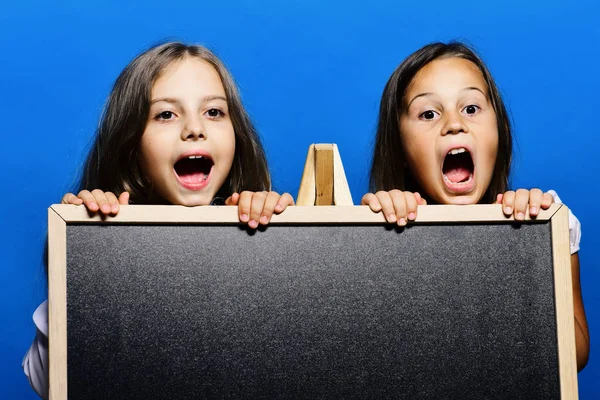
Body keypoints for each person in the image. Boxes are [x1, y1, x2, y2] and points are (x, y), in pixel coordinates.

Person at [23, 41, 294, 398]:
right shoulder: (103, 247)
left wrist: (280, 232)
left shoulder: (261, 225)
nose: (195, 129)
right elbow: (47, 381)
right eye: (166, 114)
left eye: (214, 112)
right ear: (131, 144)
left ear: (236, 134)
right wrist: (85, 259)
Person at [362, 41, 589, 371]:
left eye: (470, 108)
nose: (454, 124)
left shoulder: (546, 221)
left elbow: (576, 356)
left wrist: (530, 250)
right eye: (428, 113)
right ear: (401, 149)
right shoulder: (375, 229)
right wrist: (370, 226)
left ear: (499, 131)